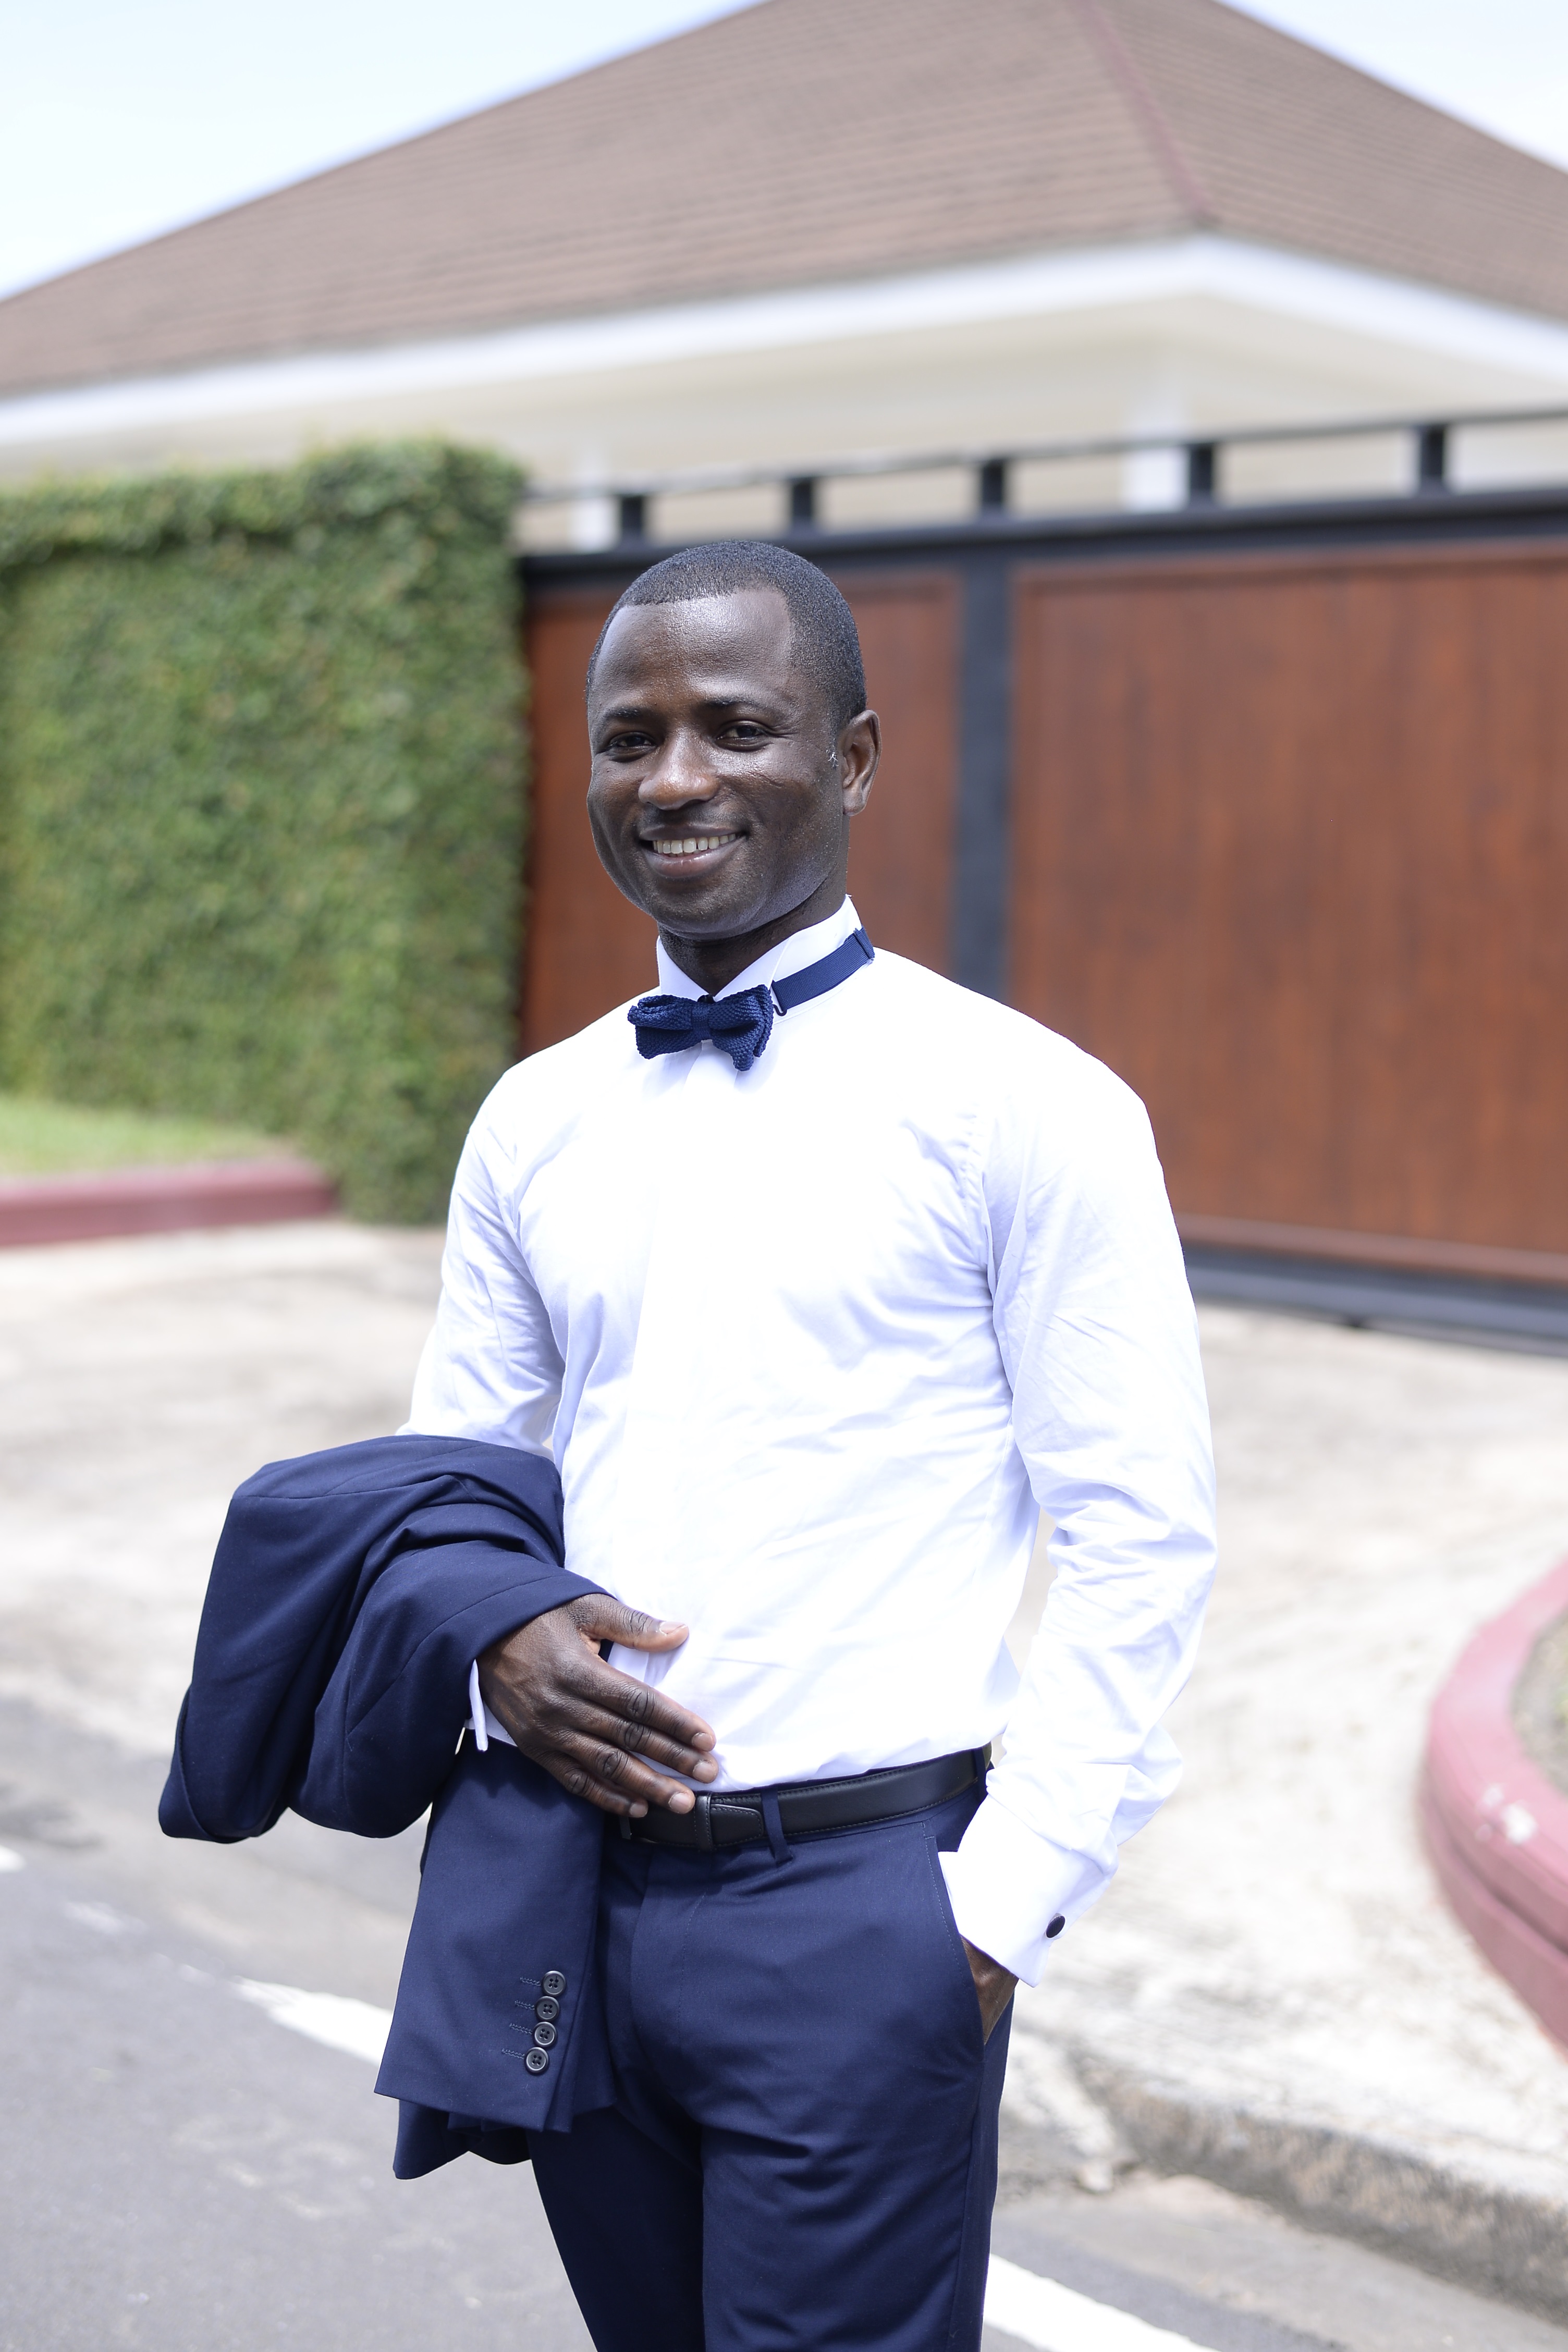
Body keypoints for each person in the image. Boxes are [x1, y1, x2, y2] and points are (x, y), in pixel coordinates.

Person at [403, 540, 1216, 2351]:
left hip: (866, 1911)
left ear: (849, 758)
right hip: (574, 1890)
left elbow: (1142, 1535)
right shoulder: (537, 1118)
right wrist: (490, 1640)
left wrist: (990, 1921)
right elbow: (450, 1481)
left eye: (735, 726)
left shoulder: (1028, 1107)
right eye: (633, 737)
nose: (674, 777)